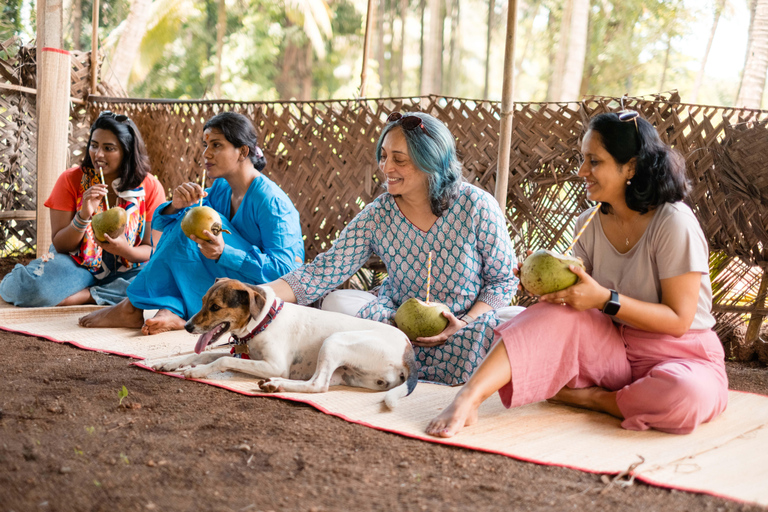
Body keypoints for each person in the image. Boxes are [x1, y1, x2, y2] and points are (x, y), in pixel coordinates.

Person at [426, 111, 728, 437]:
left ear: (631, 167)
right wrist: (546, 281)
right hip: (613, 350)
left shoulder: (673, 222)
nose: (582, 171)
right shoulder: (590, 221)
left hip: (682, 356)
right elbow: (576, 306)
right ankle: (468, 398)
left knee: (686, 397)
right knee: (549, 314)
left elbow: (679, 320)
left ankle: (595, 399)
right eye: (583, 160)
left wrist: (605, 300)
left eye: (594, 161)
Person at [265, 112, 521, 385]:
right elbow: (324, 271)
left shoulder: (476, 205)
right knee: (335, 303)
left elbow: (502, 281)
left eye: (399, 159)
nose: (386, 168)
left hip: (466, 328)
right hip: (393, 329)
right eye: (384, 156)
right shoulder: (378, 215)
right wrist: (257, 295)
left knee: (519, 319)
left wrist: (465, 322)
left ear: (431, 160)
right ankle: (393, 356)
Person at [79, 111, 304, 335]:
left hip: (260, 294)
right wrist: (176, 205)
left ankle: (134, 307)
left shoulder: (271, 202)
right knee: (188, 216)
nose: (206, 154)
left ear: (242, 151)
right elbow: (166, 223)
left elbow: (287, 271)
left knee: (192, 219)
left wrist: (224, 252)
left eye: (216, 145)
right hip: (227, 280)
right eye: (206, 145)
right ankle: (173, 310)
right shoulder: (222, 188)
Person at [0, 111, 165, 307]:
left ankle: (88, 295)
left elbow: (151, 248)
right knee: (31, 290)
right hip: (77, 263)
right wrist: (84, 215)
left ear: (127, 152)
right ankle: (106, 294)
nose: (98, 154)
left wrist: (126, 250)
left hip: (129, 267)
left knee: (162, 282)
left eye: (109, 148)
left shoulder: (150, 186)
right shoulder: (71, 180)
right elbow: (61, 245)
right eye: (94, 145)